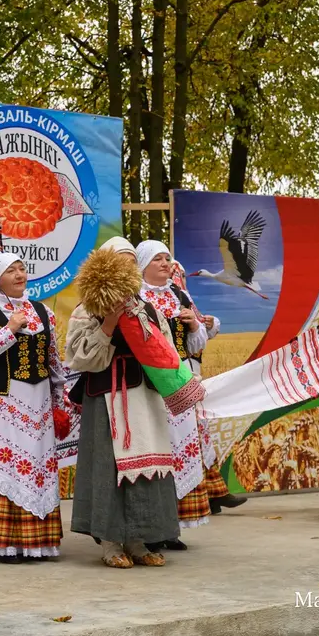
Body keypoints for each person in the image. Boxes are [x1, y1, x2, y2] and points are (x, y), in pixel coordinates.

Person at [66, 238, 179, 568]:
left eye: (132, 262)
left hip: (144, 397)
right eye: (121, 262)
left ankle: (138, 540)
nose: (128, 268)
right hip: (108, 401)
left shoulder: (149, 309)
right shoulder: (88, 307)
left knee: (145, 465)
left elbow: (166, 351)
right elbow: (79, 357)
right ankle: (111, 543)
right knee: (109, 467)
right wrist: (110, 323)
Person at [0, 253, 67, 564]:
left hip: (39, 403)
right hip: (1, 399)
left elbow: (53, 361)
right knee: (4, 469)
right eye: (11, 270)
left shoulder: (43, 312)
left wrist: (60, 404)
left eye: (21, 268)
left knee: (37, 467)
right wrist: (9, 329)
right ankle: (4, 544)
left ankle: (39, 542)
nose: (20, 274)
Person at [135, 240, 215, 548]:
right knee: (156, 451)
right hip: (149, 383)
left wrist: (194, 324)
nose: (166, 263)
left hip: (180, 381)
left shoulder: (180, 294)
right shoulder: (136, 297)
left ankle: (173, 527)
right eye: (157, 259)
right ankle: (151, 528)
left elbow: (198, 344)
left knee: (181, 451)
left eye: (167, 258)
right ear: (142, 264)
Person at [171, 262, 245, 515]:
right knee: (189, 438)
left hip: (193, 374)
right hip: (175, 377)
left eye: (180, 274)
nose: (178, 278)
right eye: (174, 274)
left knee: (200, 437)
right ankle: (210, 495)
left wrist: (210, 323)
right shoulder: (160, 299)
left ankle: (213, 493)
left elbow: (201, 334)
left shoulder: (185, 300)